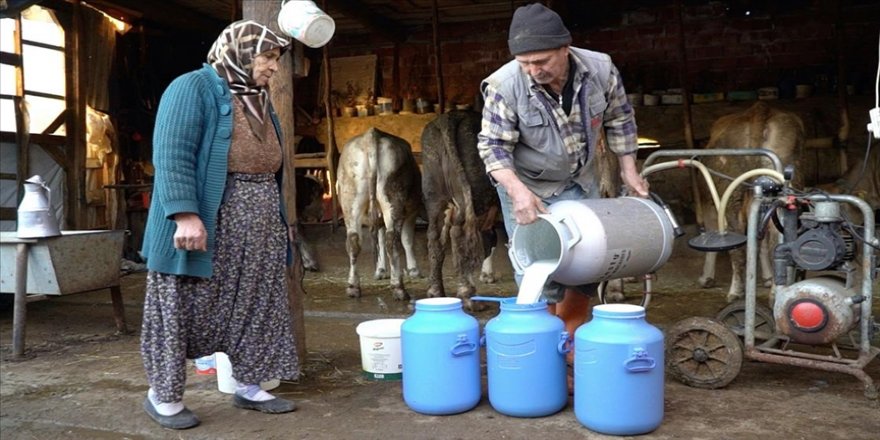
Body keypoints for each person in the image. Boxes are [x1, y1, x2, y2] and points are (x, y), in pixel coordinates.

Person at [139, 20, 300, 429]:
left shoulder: (256, 97)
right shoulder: (192, 87)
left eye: (275, 59)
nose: (272, 68)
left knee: (256, 300)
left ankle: (249, 386)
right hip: (208, 218)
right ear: (239, 53)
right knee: (184, 303)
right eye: (266, 57)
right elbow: (172, 153)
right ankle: (164, 396)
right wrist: (184, 214)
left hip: (259, 218)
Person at [477, 4, 649, 348]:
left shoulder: (600, 69)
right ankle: (542, 346)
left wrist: (630, 170)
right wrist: (517, 193)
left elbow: (620, 118)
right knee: (537, 265)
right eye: (525, 63)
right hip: (528, 184)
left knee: (587, 259)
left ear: (565, 49)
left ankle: (568, 340)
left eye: (541, 61)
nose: (533, 70)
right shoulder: (504, 85)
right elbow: (493, 147)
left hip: (582, 178)